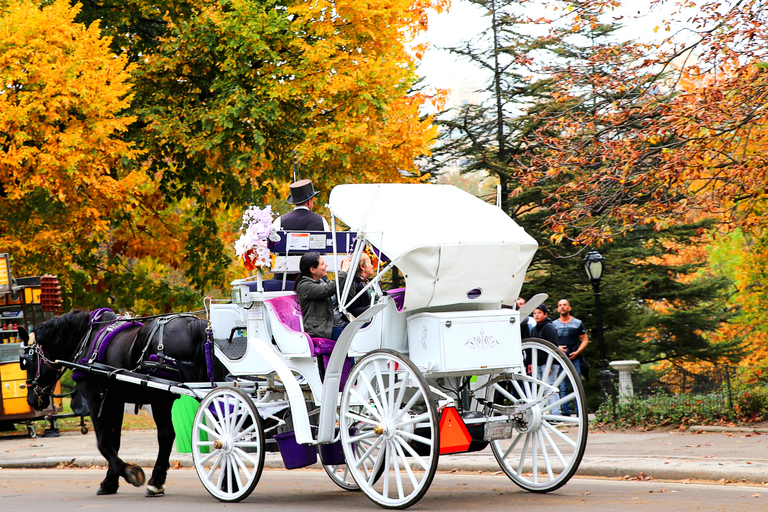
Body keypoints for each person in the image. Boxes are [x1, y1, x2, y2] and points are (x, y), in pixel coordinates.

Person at [295, 252, 351, 341]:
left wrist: (348, 272)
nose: (326, 265)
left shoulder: (321, 281)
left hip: (337, 323)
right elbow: (328, 289)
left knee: (362, 331)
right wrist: (343, 272)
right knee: (349, 337)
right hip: (321, 329)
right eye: (322, 263)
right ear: (313, 269)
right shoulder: (304, 286)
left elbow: (337, 288)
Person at [553, 299, 589, 416]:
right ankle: (566, 412)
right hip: (560, 358)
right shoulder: (554, 324)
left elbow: (585, 339)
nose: (562, 307)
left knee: (576, 385)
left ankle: (580, 412)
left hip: (574, 357)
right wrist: (558, 348)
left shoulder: (577, 323)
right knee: (563, 386)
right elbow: (550, 341)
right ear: (557, 309)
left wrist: (577, 352)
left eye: (564, 305)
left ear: (569, 308)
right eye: (560, 305)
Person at [530, 304, 561, 415]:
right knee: (543, 389)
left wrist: (550, 364)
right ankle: (549, 413)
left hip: (550, 363)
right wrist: (530, 363)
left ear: (545, 314)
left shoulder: (549, 327)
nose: (536, 315)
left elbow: (553, 346)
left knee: (550, 387)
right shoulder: (534, 329)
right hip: (538, 362)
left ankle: (556, 413)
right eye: (534, 313)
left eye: (539, 313)